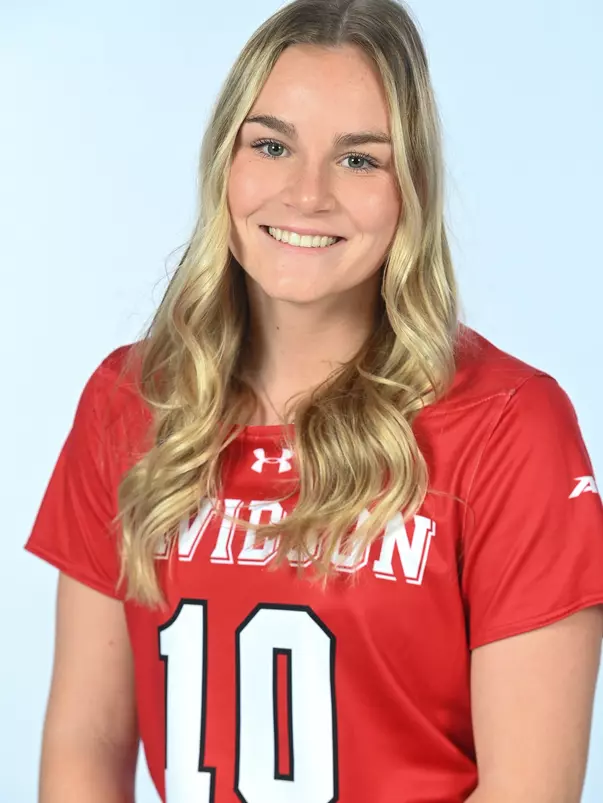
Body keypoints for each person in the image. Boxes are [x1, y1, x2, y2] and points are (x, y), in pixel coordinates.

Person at [25, 1, 603, 802]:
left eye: (359, 160)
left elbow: (527, 789)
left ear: (412, 187)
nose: (307, 194)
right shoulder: (129, 402)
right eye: (271, 145)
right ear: (224, 163)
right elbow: (86, 742)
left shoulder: (510, 426)